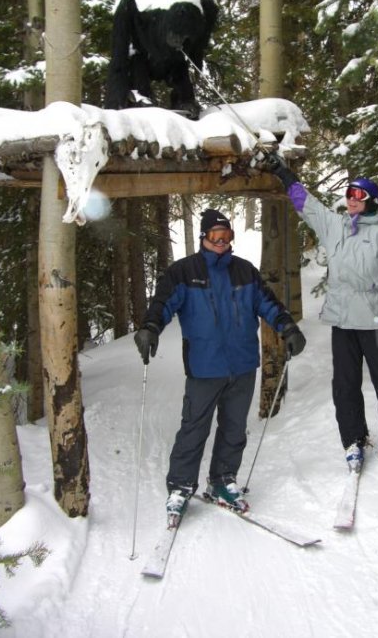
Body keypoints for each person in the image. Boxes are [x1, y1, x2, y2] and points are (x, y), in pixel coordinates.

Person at [264, 155, 378, 474]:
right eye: (349, 193)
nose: (351, 199)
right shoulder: (335, 227)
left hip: (377, 322)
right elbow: (308, 205)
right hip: (344, 322)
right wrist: (286, 176)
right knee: (345, 386)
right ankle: (353, 440)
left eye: (359, 194)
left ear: (372, 201)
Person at [134, 208, 306, 525]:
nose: (221, 241)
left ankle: (223, 480)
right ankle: (180, 486)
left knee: (234, 428)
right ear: (204, 237)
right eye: (215, 235)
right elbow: (163, 303)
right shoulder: (184, 272)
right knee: (193, 428)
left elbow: (268, 304)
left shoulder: (245, 271)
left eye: (226, 235)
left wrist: (289, 328)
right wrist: (150, 327)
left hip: (242, 365)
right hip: (204, 366)